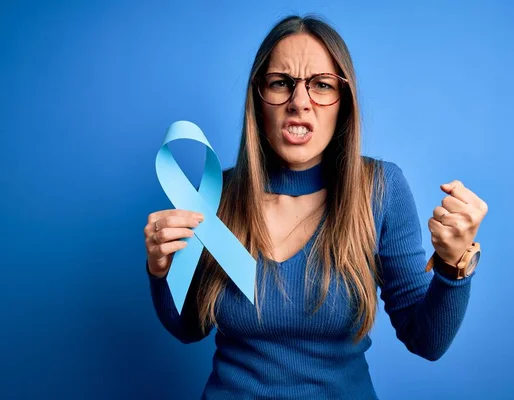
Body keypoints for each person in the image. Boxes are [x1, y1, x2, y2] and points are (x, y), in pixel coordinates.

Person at [143, 14, 488, 400]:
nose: (300, 102)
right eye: (281, 84)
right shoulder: (215, 194)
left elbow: (427, 340)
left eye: (321, 85)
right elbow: (189, 328)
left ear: (344, 102)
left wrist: (454, 266)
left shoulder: (380, 189)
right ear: (258, 99)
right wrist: (163, 272)